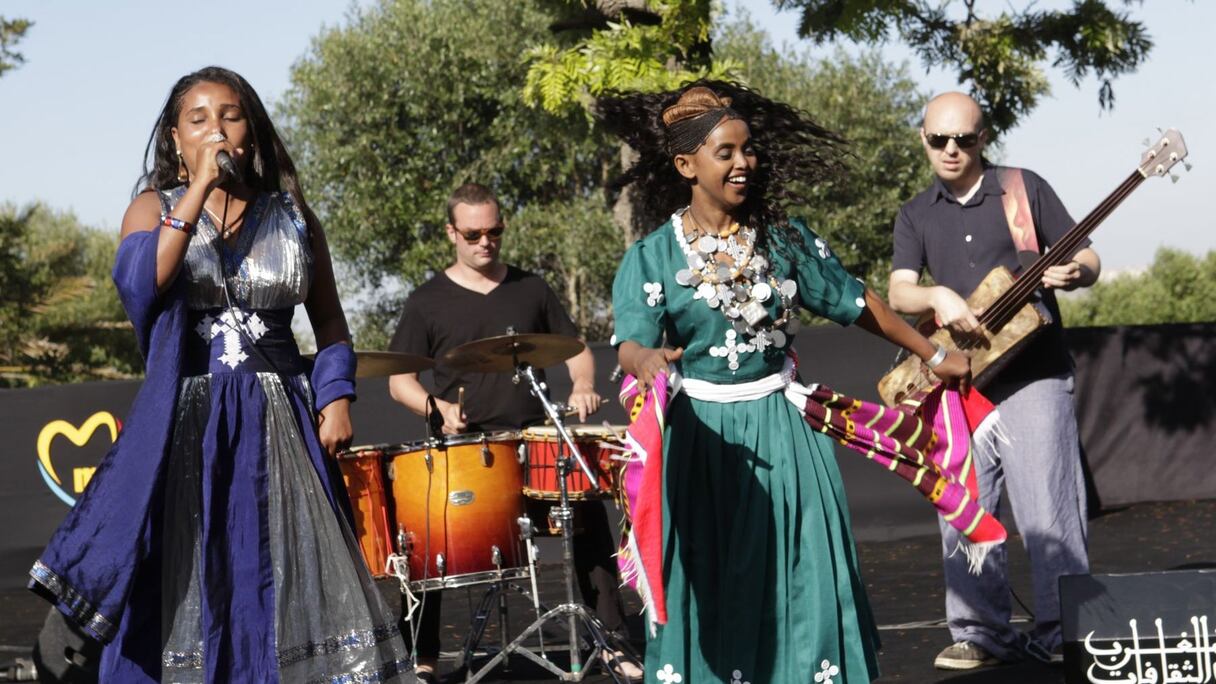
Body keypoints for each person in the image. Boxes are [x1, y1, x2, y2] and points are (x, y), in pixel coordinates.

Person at [27, 66, 415, 682]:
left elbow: (331, 324)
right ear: (175, 138)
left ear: (250, 132)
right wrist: (199, 188)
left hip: (282, 422)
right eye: (198, 119)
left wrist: (337, 396)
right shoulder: (150, 209)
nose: (216, 129)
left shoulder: (292, 216)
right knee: (182, 569)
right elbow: (144, 284)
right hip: (188, 418)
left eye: (230, 116)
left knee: (278, 569)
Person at [597, 82, 972, 683]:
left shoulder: (783, 239)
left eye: (748, 149)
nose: (743, 163)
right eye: (725, 153)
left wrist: (933, 352)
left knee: (806, 573)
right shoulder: (651, 256)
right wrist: (643, 360)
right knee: (714, 580)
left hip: (785, 431)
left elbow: (859, 301)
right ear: (687, 166)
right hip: (703, 443)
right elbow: (631, 341)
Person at [387, 182, 641, 682]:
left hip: (535, 439)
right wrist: (438, 407)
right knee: (427, 530)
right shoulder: (426, 301)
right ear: (451, 233)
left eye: (495, 231)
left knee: (587, 513)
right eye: (473, 234)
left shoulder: (531, 288)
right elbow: (400, 382)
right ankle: (423, 654)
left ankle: (613, 640)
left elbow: (575, 350)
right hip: (467, 449)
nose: (486, 241)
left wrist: (583, 385)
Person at [888, 91, 1100, 669]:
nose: (951, 150)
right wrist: (936, 295)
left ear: (984, 138)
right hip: (961, 384)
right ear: (923, 138)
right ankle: (980, 634)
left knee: (1048, 509)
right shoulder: (915, 213)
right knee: (964, 508)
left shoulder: (1023, 189)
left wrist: (1075, 273)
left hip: (1035, 373)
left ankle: (1065, 631)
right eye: (939, 139)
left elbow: (1089, 257)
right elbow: (899, 291)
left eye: (964, 139)